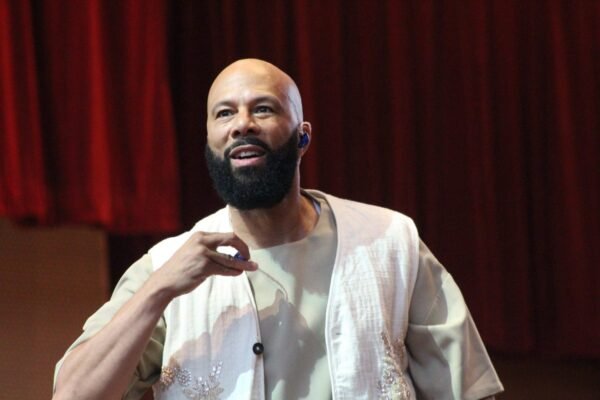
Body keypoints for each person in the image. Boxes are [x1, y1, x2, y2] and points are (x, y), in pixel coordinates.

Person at [53, 58, 504, 400]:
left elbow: (468, 390)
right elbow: (73, 395)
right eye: (224, 114)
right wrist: (160, 290)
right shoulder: (164, 266)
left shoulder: (391, 242)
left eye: (263, 109)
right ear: (209, 142)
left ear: (302, 137)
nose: (242, 124)